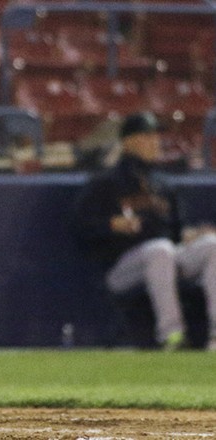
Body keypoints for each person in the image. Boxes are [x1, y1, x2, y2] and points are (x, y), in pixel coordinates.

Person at [73, 111, 216, 351]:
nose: (155, 142)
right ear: (128, 142)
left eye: (156, 137)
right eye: (147, 137)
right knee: (159, 250)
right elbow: (80, 226)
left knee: (211, 245)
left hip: (165, 257)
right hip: (121, 267)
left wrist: (193, 235)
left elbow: (176, 232)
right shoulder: (105, 182)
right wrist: (111, 225)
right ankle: (173, 335)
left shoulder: (161, 184)